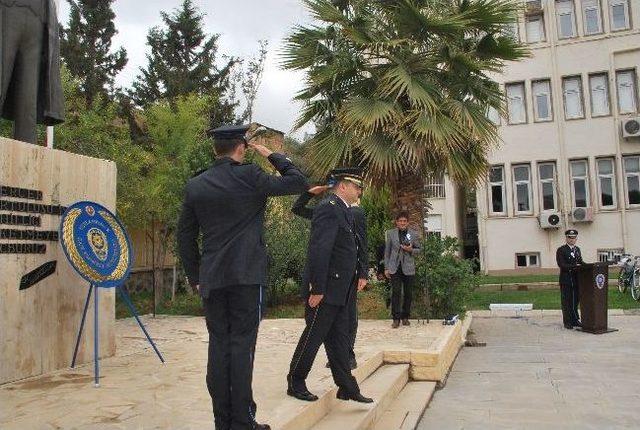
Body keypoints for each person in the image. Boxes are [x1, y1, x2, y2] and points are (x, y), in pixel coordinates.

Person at [177, 124, 308, 430]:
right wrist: (272, 154)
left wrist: (196, 276)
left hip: (212, 279)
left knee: (218, 347)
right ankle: (242, 422)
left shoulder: (196, 184)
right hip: (246, 277)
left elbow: (185, 238)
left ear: (215, 150)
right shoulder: (251, 176)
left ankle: (223, 422)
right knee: (241, 348)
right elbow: (299, 181)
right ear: (241, 147)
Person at [287, 168, 373, 404]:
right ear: (343, 186)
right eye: (356, 187)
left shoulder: (345, 211)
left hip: (341, 289)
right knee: (313, 337)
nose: (359, 191)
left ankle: (347, 387)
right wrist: (317, 288)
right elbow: (319, 250)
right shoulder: (329, 208)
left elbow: (351, 248)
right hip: (326, 290)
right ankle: (295, 381)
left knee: (339, 340)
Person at [384, 211, 421, 328]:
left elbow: (419, 249)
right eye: (400, 221)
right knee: (396, 292)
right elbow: (387, 252)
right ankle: (396, 319)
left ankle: (405, 317)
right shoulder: (390, 233)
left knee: (408, 293)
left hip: (408, 267)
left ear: (408, 222)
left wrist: (411, 250)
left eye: (404, 221)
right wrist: (386, 268)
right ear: (397, 222)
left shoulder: (413, 234)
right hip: (394, 267)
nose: (402, 223)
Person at [556, 229, 584, 329]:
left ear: (576, 238)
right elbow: (562, 264)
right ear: (566, 238)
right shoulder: (561, 250)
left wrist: (588, 266)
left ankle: (575, 320)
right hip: (566, 280)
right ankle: (567, 322)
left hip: (576, 280)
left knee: (575, 301)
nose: (572, 240)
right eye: (570, 237)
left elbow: (581, 262)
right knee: (567, 301)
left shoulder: (577, 250)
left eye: (574, 238)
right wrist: (574, 266)